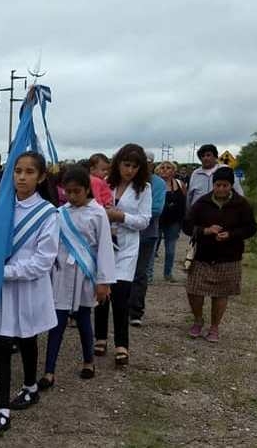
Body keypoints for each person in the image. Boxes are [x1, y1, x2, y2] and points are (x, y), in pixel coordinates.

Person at [0, 152, 59, 439]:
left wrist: (4, 272)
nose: (22, 177)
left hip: (28, 289)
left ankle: (30, 386)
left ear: (41, 177)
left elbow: (43, 261)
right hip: (1, 292)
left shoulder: (48, 214)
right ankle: (3, 411)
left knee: (27, 338)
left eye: (29, 172)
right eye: (17, 171)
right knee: (1, 345)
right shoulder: (2, 207)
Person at [39, 166, 115, 390]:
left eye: (77, 191)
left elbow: (104, 248)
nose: (72, 196)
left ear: (87, 189)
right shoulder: (60, 213)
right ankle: (49, 371)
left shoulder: (98, 213)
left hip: (85, 274)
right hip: (62, 273)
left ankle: (88, 361)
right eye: (68, 191)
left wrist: (103, 281)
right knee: (57, 322)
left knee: (83, 320)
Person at [183, 167, 257, 342]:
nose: (221, 189)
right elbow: (187, 225)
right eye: (218, 185)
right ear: (213, 184)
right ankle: (198, 320)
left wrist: (231, 234)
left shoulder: (241, 204)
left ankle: (214, 327)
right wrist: (205, 230)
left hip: (229, 256)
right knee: (194, 291)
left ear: (231, 186)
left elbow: (251, 228)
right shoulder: (202, 203)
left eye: (225, 185)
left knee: (221, 293)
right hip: (203, 255)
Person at [94, 144, 151, 366]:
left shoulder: (143, 189)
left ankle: (121, 344)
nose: (130, 170)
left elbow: (144, 221)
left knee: (120, 295)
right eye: (126, 165)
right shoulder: (105, 182)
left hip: (126, 247)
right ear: (118, 163)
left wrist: (120, 216)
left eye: (135, 167)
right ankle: (100, 337)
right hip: (104, 244)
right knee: (102, 292)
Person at [128, 151, 165, 326]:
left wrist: (127, 214)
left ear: (152, 164)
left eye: (147, 162)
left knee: (140, 273)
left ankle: (136, 311)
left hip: (147, 235)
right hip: (125, 234)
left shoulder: (157, 183)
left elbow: (156, 209)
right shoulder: (127, 181)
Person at [187, 144, 242, 210]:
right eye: (203, 156)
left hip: (221, 212)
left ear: (215, 157)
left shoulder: (225, 170)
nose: (205, 158)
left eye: (208, 155)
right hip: (198, 212)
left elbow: (238, 192)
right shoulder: (195, 174)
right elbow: (189, 196)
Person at [156, 161, 186, 282]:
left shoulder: (179, 184)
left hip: (173, 221)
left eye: (168, 167)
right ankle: (149, 274)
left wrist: (183, 220)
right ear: (158, 171)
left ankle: (168, 273)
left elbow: (184, 202)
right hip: (157, 220)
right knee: (152, 248)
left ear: (174, 171)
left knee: (170, 249)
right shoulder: (153, 184)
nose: (165, 169)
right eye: (162, 167)